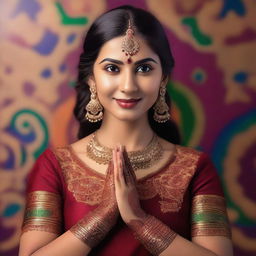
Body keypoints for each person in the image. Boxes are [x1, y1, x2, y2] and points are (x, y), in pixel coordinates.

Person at [19, 5, 233, 256]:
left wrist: (139, 220)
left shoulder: (194, 168)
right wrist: (103, 216)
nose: (128, 86)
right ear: (91, 78)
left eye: (144, 69)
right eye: (112, 68)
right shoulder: (56, 165)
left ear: (163, 78)